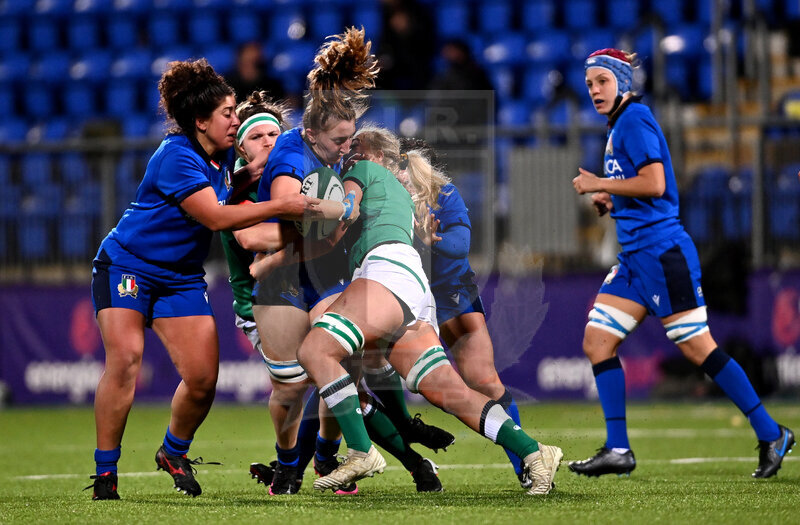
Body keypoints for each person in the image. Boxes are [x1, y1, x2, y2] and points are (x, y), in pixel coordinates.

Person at [85, 58, 319, 501]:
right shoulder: (176, 155)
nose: (236, 121)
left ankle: (173, 452)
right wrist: (281, 207)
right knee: (127, 359)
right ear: (200, 122)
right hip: (127, 266)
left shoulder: (224, 155)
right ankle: (105, 473)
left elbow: (238, 178)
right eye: (228, 114)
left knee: (202, 380)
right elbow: (213, 216)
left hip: (180, 277)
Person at [287, 124, 563, 495]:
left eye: (355, 152)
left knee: (315, 350)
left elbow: (347, 209)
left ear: (379, 157)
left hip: (384, 271)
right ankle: (534, 452)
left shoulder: (363, 172)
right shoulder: (397, 191)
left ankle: (359, 451)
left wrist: (312, 206)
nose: (347, 159)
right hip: (411, 287)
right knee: (448, 391)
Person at [569, 48, 795, 479]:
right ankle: (618, 449)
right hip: (635, 257)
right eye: (589, 84)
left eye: (602, 81)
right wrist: (610, 197)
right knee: (597, 341)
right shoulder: (620, 122)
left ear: (621, 81)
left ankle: (771, 432)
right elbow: (641, 185)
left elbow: (655, 184)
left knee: (697, 347)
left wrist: (600, 182)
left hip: (662, 253)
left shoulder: (633, 120)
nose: (595, 90)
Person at [249, 27, 451, 495]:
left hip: (323, 276)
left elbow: (326, 233)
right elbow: (279, 218)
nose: (347, 148)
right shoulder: (289, 158)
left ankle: (366, 457)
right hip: (282, 283)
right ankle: (294, 462)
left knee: (342, 371)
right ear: (311, 132)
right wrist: (326, 218)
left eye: (350, 139)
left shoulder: (331, 158)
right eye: (340, 140)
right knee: (292, 387)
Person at [383, 135, 531, 489]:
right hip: (400, 297)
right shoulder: (381, 199)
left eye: (394, 167)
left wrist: (433, 241)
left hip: (449, 296)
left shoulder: (442, 194)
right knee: (371, 379)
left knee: (483, 381)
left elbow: (461, 245)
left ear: (405, 167)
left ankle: (528, 461)